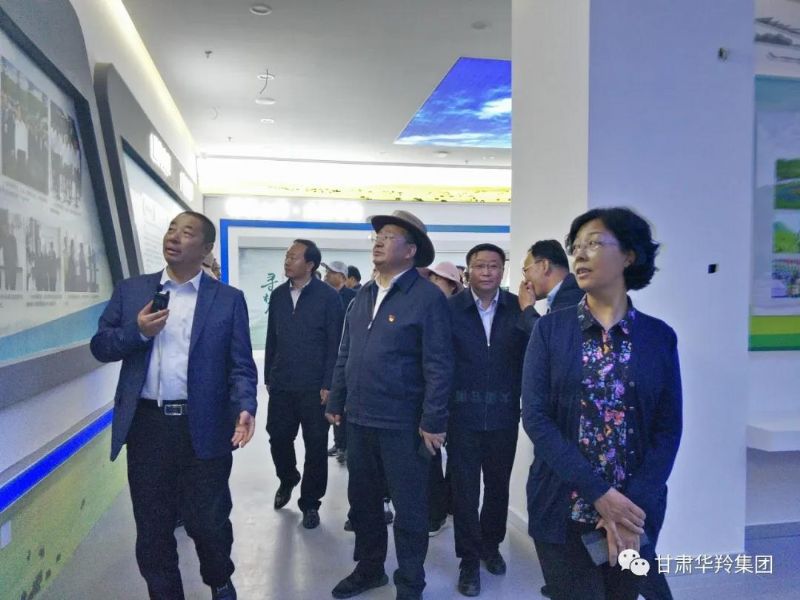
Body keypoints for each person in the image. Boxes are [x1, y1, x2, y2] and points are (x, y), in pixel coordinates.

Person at [90, 211, 257, 600]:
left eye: (187, 232)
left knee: (208, 522)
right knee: (153, 528)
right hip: (148, 427)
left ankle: (219, 578)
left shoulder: (228, 300)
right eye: (171, 229)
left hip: (206, 426)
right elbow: (100, 346)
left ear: (206, 248)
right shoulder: (133, 291)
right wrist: (137, 332)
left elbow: (241, 365)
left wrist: (245, 405)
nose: (174, 237)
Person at [522, 207, 682, 600]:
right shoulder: (549, 330)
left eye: (593, 243)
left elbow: (668, 429)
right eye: (576, 246)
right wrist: (600, 496)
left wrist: (629, 508)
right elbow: (536, 418)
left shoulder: (659, 337)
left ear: (629, 255)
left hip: (634, 513)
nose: (579, 254)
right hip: (562, 507)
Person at [326, 210, 453, 600]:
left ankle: (410, 583)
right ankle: (369, 570)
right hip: (360, 419)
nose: (379, 241)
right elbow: (346, 352)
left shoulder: (427, 298)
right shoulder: (363, 294)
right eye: (377, 235)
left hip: (404, 423)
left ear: (410, 250)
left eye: (389, 236)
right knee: (363, 503)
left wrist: (433, 420)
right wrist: (337, 398)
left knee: (409, 510)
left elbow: (439, 364)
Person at [447, 244, 527, 597]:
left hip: (503, 415)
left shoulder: (517, 308)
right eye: (480, 265)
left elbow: (531, 357)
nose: (487, 272)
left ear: (502, 271)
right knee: (464, 491)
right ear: (468, 271)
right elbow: (439, 362)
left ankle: (490, 546)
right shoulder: (450, 309)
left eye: (494, 266)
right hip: (461, 416)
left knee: (498, 487)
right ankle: (468, 559)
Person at [264, 239, 344, 529]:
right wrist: (268, 375)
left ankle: (310, 502)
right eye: (287, 256)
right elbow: (272, 338)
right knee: (277, 437)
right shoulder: (278, 296)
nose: (288, 261)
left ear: (310, 264)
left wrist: (329, 383)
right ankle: (288, 478)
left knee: (316, 445)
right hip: (282, 383)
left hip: (315, 387)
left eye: (294, 257)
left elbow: (336, 343)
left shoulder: (328, 297)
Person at [518, 239, 584, 335]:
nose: (525, 279)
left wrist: (527, 308)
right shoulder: (564, 294)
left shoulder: (573, 296)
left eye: (526, 270)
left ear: (544, 265)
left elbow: (550, 337)